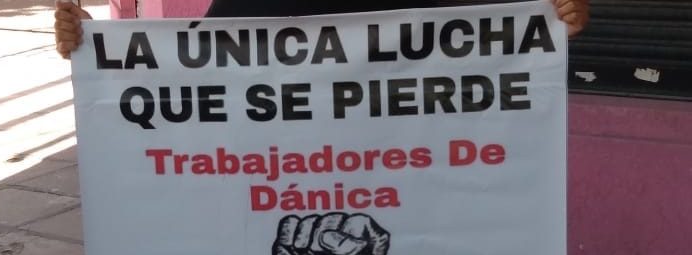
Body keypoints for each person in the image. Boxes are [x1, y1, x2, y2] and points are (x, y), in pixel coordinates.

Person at [54, 0, 589, 59]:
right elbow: (200, 68)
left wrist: (555, 19)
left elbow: (493, 34)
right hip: (291, 181)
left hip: (409, 182)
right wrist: (97, 50)